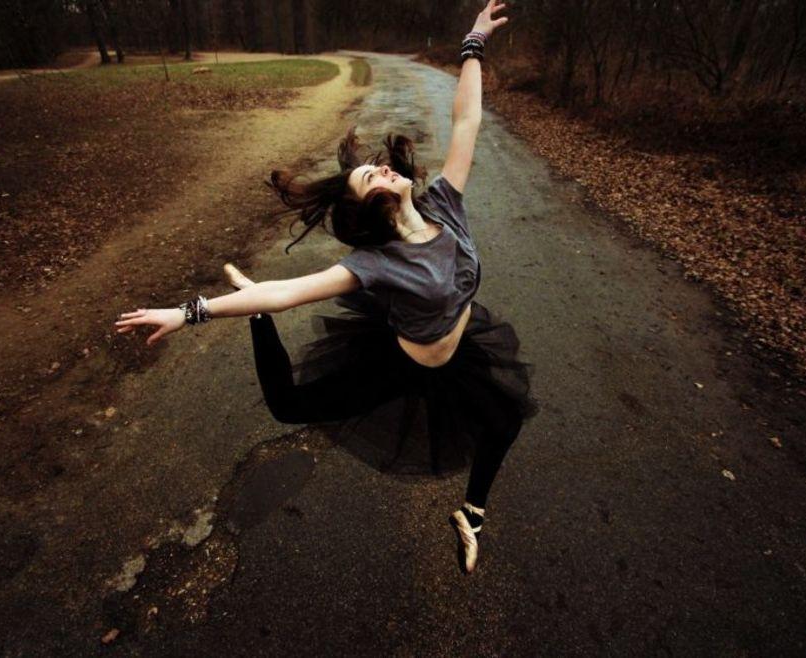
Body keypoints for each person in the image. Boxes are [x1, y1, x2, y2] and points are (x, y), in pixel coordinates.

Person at [114, 0, 537, 575]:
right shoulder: (376, 263)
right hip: (400, 363)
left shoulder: (445, 202)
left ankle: (471, 513)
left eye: (377, 166)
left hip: (458, 350)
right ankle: (253, 322)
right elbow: (285, 293)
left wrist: (473, 43)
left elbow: (467, 121)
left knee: (504, 421)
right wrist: (187, 312)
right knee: (288, 406)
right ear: (371, 210)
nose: (384, 167)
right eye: (370, 177)